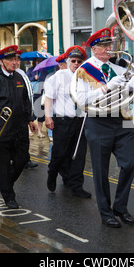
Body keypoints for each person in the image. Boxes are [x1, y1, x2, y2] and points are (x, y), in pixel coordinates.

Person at [74, 28, 134, 228]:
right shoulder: (84, 69)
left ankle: (120, 206)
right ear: (94, 48)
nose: (110, 49)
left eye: (110, 45)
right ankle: (106, 212)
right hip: (99, 121)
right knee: (101, 171)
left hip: (123, 119)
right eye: (105, 46)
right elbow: (81, 100)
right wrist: (106, 87)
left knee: (130, 164)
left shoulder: (119, 64)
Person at [0, 45, 37, 209]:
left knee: (22, 158)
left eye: (17, 59)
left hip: (20, 128)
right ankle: (8, 196)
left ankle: (6, 181)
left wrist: (31, 119)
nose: (15, 62)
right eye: (11, 59)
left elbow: (25, 101)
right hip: (1, 130)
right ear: (2, 61)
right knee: (3, 164)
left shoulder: (19, 77)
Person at [44, 46, 91, 198]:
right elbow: (49, 98)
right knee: (61, 153)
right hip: (63, 120)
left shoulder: (87, 77)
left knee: (79, 154)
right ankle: (53, 172)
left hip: (81, 121)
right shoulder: (58, 77)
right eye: (73, 61)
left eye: (79, 61)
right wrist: (47, 117)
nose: (76, 64)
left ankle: (76, 186)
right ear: (68, 61)